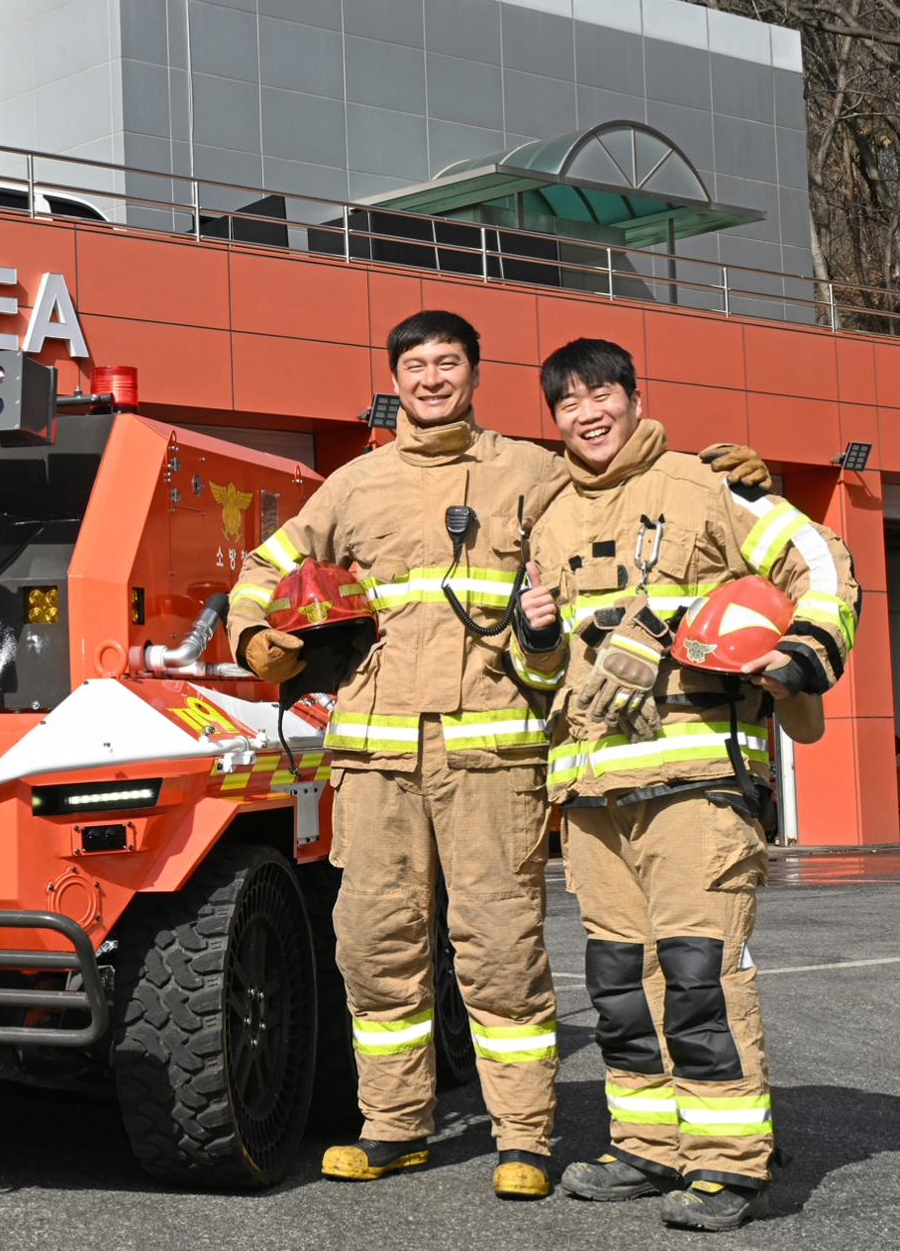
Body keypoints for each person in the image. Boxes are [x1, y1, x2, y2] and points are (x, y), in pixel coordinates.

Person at [225, 311, 771, 1201]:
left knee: (501, 951)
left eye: (448, 362)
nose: (431, 378)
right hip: (375, 760)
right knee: (375, 947)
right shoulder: (353, 485)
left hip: (495, 756)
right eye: (415, 365)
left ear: (476, 375)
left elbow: (622, 485)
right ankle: (394, 1125)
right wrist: (255, 636)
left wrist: (735, 481)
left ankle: (523, 1135)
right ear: (394, 380)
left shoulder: (534, 471)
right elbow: (264, 567)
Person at [514, 339, 856, 1231]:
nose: (587, 414)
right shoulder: (548, 517)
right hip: (593, 795)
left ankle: (728, 1165)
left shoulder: (708, 485)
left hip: (697, 783)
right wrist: (536, 636)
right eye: (568, 404)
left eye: (601, 394)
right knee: (620, 984)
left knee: (699, 978)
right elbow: (544, 672)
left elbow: (819, 560)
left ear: (634, 397)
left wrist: (804, 652)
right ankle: (647, 1146)